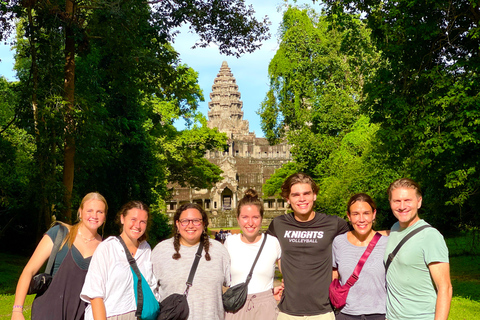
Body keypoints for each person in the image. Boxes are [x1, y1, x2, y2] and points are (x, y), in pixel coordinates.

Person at [11, 192, 108, 320]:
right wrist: (17, 311)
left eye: (99, 212)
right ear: (80, 212)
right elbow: (29, 271)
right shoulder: (59, 234)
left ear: (105, 216)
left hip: (81, 315)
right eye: (89, 210)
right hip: (47, 313)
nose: (94, 216)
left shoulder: (105, 248)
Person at [267, 172, 350, 320]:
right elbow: (265, 253)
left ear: (314, 195)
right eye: (295, 195)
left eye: (306, 193)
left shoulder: (334, 224)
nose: (302, 199)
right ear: (287, 198)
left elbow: (358, 243)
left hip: (323, 310)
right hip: (288, 311)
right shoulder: (278, 224)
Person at [384, 178, 452, 320]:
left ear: (419, 202)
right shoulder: (395, 228)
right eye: (396, 201)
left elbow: (444, 287)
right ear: (390, 203)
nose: (402, 206)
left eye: (408, 200)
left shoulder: (430, 236)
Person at [151, 203, 230, 320]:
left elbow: (230, 286)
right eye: (185, 221)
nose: (190, 225)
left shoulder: (219, 251)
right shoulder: (161, 251)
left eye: (196, 221)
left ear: (203, 224)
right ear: (177, 224)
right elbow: (152, 293)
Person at [80, 201, 156, 320]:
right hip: (109, 315)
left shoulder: (146, 249)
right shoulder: (108, 248)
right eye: (133, 219)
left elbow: (151, 285)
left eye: (143, 222)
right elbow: (95, 294)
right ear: (122, 219)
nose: (137, 225)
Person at [224, 189, 282, 320]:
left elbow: (289, 274)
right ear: (238, 219)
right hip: (236, 307)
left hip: (265, 307)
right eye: (245, 217)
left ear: (261, 218)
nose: (250, 223)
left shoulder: (273, 243)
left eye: (255, 217)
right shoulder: (230, 242)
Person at [332, 193, 388, 320]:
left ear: (374, 214)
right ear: (349, 216)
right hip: (346, 314)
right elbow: (333, 274)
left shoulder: (386, 243)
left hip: (379, 314)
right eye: (355, 214)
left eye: (366, 213)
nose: (361, 219)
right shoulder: (339, 242)